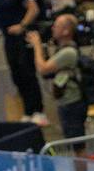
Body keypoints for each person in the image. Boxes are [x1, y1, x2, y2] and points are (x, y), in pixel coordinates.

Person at [28, 14, 86, 143]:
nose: (52, 28)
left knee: (77, 146)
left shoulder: (68, 52)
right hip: (65, 102)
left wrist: (37, 45)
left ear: (66, 31)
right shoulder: (61, 50)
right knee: (72, 144)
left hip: (72, 103)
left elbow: (42, 68)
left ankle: (81, 164)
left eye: (57, 26)